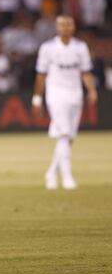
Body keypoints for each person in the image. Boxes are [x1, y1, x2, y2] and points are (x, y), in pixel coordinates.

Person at [32, 15, 97, 190]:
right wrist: (37, 98)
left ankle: (51, 172)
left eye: (69, 24)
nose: (66, 27)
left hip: (75, 94)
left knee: (69, 138)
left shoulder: (80, 47)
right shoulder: (48, 48)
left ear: (74, 27)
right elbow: (41, 75)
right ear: (57, 27)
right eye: (62, 24)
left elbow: (85, 72)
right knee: (64, 134)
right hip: (56, 94)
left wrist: (91, 90)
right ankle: (67, 177)